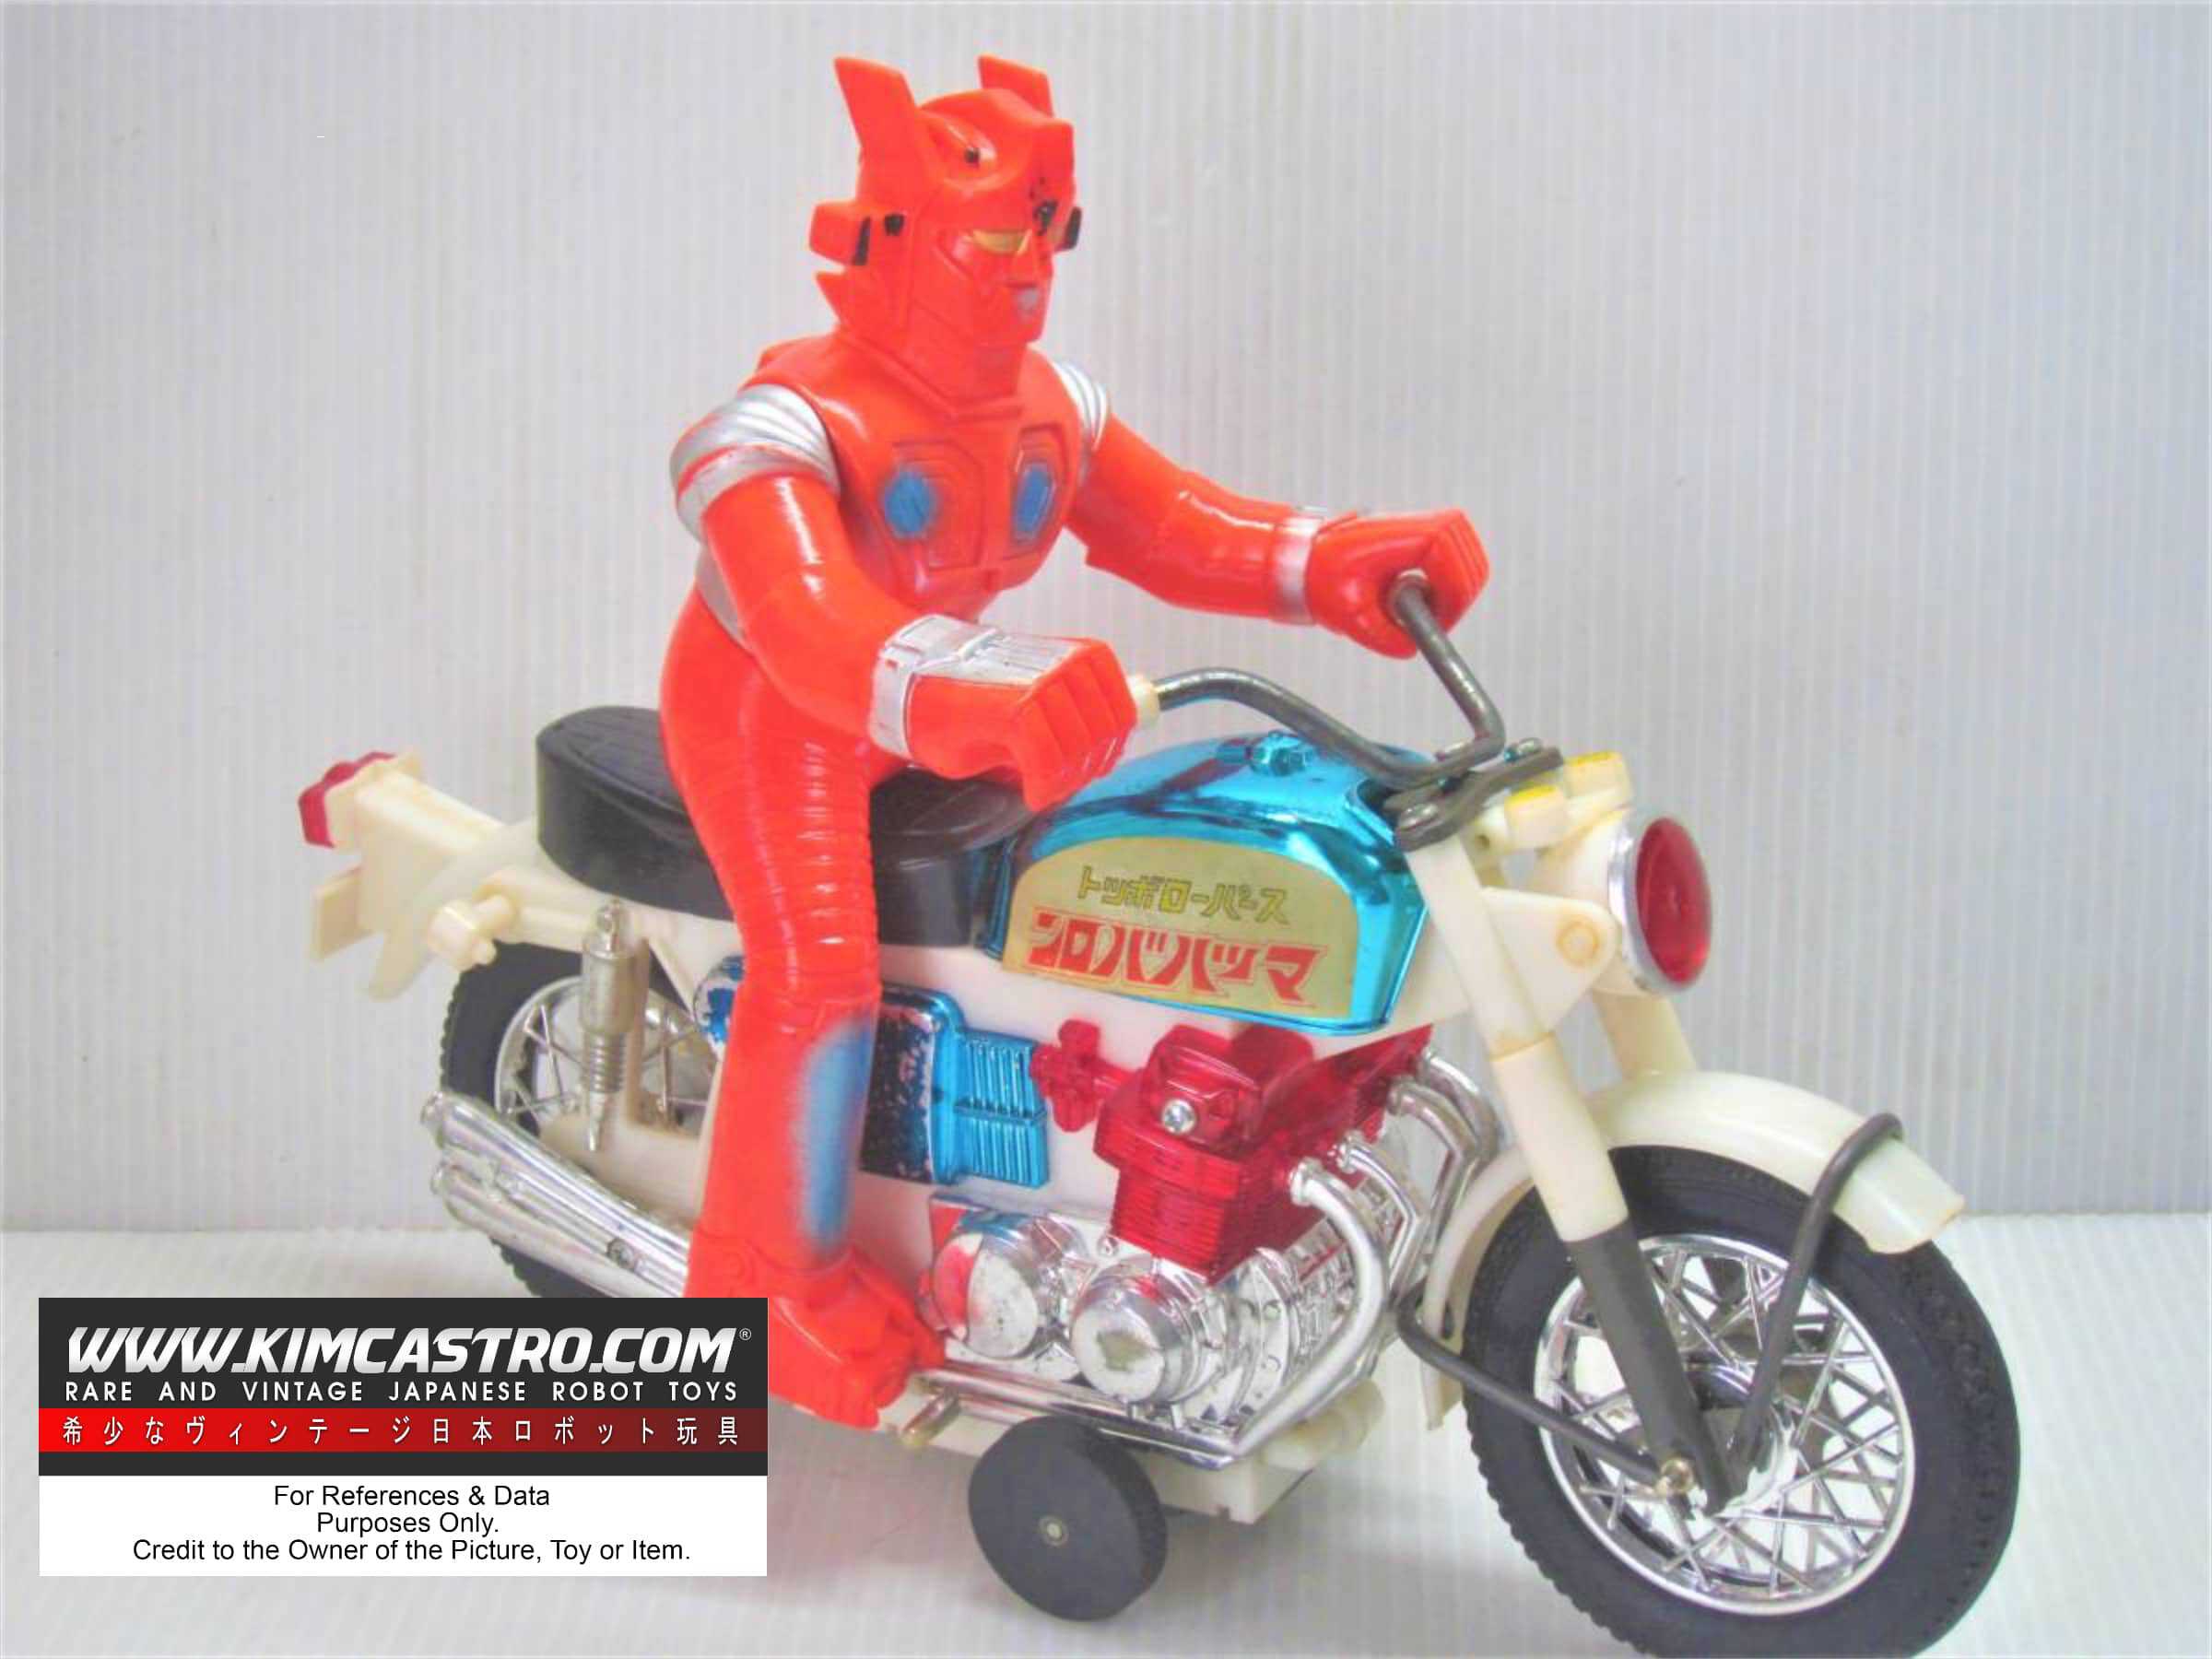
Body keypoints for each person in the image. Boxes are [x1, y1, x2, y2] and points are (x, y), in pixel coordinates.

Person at [662, 55, 1488, 1427]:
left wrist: (1335, 560)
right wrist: (978, 683)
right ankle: (763, 1287)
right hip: (779, 726)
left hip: (930, 715)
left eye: (1053, 234)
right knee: (820, 981)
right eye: (996, 241)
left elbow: (1176, 526)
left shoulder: (1048, 410)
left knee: (1084, 902)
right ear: (886, 240)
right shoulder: (778, 433)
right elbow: (805, 621)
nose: (1029, 270)